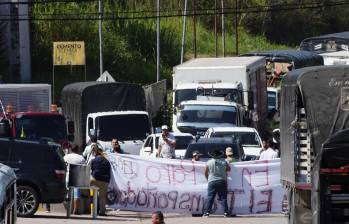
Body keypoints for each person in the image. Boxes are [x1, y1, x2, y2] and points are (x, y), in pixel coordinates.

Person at [203, 149, 231, 217]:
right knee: (223, 198)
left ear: (212, 155)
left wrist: (208, 179)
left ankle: (207, 213)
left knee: (210, 197)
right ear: (220, 155)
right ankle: (226, 213)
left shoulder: (209, 162)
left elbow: (205, 172)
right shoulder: (224, 161)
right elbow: (229, 169)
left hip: (212, 181)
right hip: (221, 181)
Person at [63, 144, 86, 215]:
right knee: (76, 195)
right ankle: (75, 210)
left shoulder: (65, 157)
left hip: (66, 177)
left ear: (71, 149)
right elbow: (84, 169)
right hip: (76, 178)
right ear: (78, 149)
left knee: (67, 194)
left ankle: (67, 210)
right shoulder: (81, 158)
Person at [90, 146, 111, 216]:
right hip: (105, 181)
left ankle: (93, 211)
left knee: (93, 195)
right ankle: (102, 212)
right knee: (102, 197)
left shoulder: (94, 160)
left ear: (95, 153)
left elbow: (92, 170)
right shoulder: (107, 161)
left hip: (95, 180)